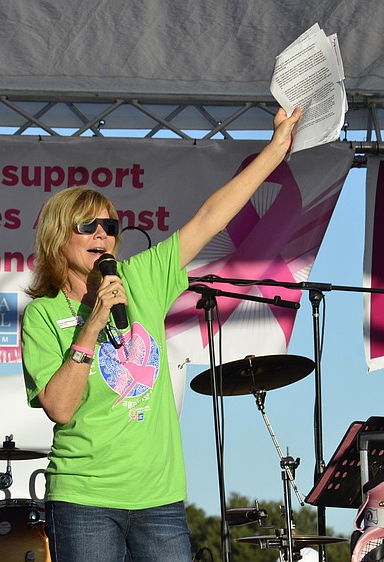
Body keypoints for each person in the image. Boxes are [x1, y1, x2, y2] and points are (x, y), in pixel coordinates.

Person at [21, 106, 302, 561]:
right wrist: (91, 324)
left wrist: (275, 150)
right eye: (87, 226)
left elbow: (210, 218)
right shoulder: (43, 315)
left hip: (159, 497)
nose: (102, 235)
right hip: (84, 499)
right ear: (58, 237)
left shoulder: (142, 276)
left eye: (109, 226)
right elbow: (60, 408)